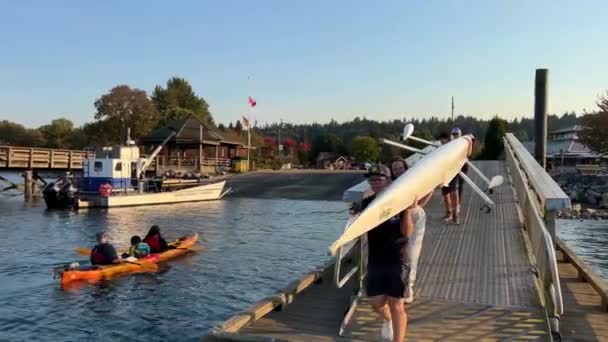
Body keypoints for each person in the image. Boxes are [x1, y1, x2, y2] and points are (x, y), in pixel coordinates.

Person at [358, 163, 415, 342]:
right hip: (376, 259)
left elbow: (407, 232)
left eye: (378, 179)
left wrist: (407, 211)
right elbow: (361, 227)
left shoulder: (400, 201)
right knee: (375, 302)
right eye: (371, 180)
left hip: (398, 258)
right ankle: (387, 319)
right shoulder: (367, 203)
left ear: (389, 181)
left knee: (396, 303)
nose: (374, 183)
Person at [390, 157, 432, 304]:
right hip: (399, 218)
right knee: (399, 252)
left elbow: (425, 197)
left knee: (412, 252)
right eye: (395, 169)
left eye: (400, 168)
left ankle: (409, 287)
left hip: (415, 217)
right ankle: (396, 282)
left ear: (405, 168)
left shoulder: (414, 181)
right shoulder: (392, 185)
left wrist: (419, 204)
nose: (398, 171)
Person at [451, 127, 469, 205]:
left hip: (463, 166)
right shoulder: (451, 144)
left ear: (459, 135)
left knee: (460, 184)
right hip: (454, 167)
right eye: (454, 134)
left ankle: (458, 202)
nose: (455, 136)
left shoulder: (462, 143)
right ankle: (455, 202)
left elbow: (467, 154)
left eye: (456, 134)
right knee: (454, 186)